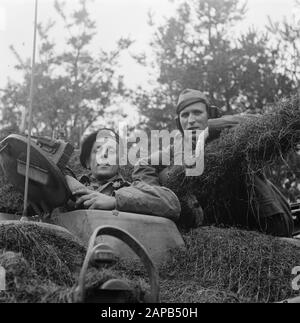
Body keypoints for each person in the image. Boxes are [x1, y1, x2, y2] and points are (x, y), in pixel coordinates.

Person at [133, 89, 294, 237]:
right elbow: (144, 164)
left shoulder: (230, 132)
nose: (191, 120)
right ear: (179, 121)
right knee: (167, 174)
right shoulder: (178, 148)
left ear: (209, 114)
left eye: (197, 113)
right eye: (185, 115)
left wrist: (211, 127)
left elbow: (266, 122)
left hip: (267, 219)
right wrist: (159, 198)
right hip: (227, 231)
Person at [67, 128, 181, 222]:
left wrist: (115, 201)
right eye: (97, 150)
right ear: (87, 161)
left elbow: (171, 203)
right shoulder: (68, 186)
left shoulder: (132, 189)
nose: (104, 154)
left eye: (111, 151)